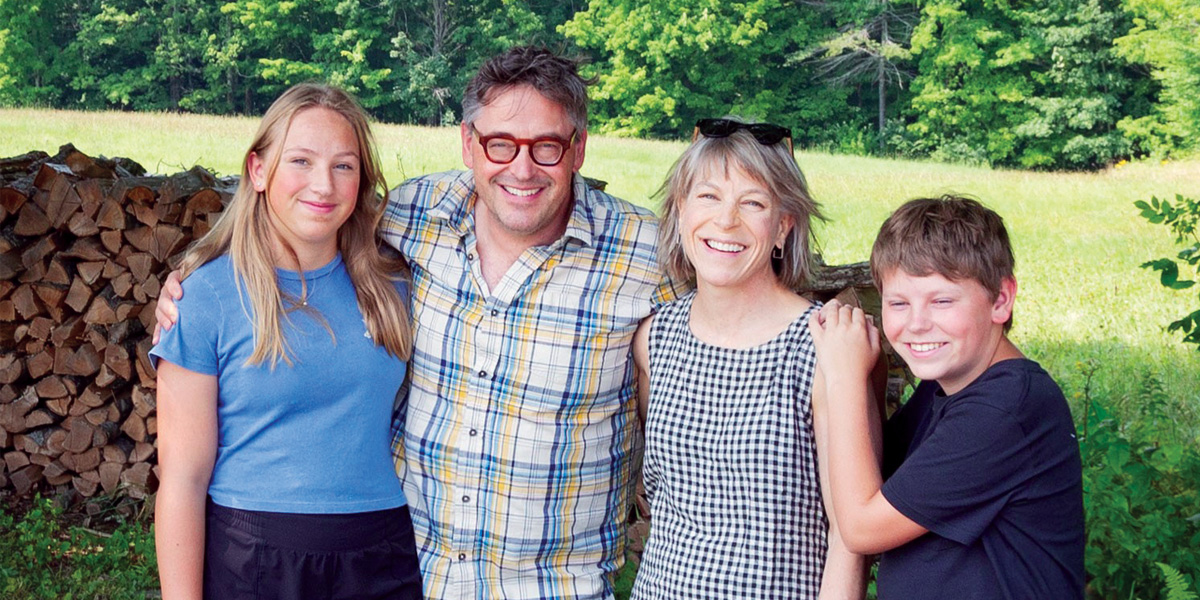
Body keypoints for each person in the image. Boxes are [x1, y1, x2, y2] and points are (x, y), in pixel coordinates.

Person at [157, 47, 679, 599]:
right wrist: (190, 281)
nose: (521, 169)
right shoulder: (415, 220)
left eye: (546, 147)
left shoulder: (645, 254)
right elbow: (183, 477)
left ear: (578, 149)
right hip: (400, 571)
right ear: (468, 144)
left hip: (529, 582)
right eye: (500, 143)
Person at [150, 83, 423, 600]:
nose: (323, 184)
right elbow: (182, 482)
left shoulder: (395, 287)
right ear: (257, 170)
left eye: (344, 165)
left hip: (381, 553)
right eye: (300, 160)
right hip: (254, 557)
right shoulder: (204, 296)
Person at [629, 118, 868, 600]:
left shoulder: (827, 344)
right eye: (709, 196)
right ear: (680, 211)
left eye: (753, 203)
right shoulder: (655, 338)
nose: (726, 221)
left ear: (783, 226)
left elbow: (850, 535)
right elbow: (657, 500)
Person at [807, 196, 1085, 599]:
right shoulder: (949, 388)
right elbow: (872, 475)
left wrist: (845, 375)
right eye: (898, 303)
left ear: (1001, 300)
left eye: (942, 301)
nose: (917, 324)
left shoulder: (1005, 409)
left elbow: (862, 527)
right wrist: (871, 369)